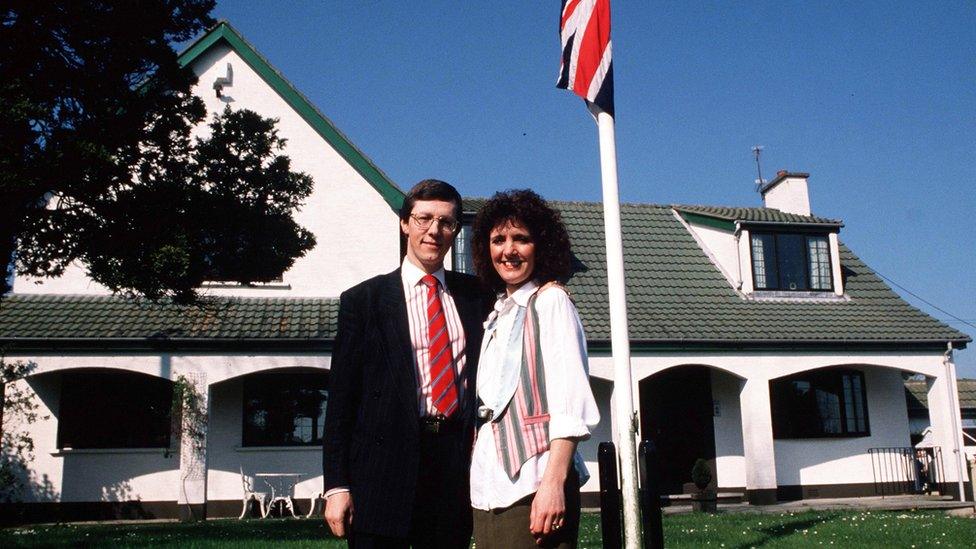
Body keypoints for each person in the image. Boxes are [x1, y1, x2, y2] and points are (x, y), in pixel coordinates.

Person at [322, 179, 492, 548]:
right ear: (405, 223)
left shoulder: (478, 297)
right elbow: (340, 402)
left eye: (446, 222)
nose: (434, 230)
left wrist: (550, 286)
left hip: (452, 467)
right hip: (381, 473)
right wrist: (336, 485)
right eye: (424, 218)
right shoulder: (364, 301)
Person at [468, 189, 599, 549]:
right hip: (490, 489)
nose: (508, 250)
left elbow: (570, 407)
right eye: (498, 240)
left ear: (540, 246)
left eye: (520, 239)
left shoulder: (551, 301)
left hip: (535, 486)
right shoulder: (498, 313)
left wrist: (553, 486)